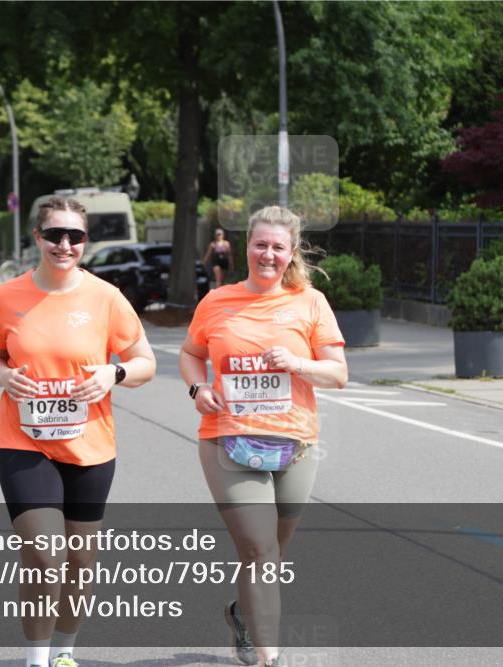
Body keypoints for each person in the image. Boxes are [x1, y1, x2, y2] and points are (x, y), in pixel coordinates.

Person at [0, 195, 157, 667]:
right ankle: (36, 659)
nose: (64, 244)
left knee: (79, 561)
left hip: (90, 446)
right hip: (24, 442)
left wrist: (114, 373)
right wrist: (4, 376)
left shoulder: (106, 297)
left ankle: (63, 653)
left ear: (85, 241)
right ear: (37, 237)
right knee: (44, 555)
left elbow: (145, 362)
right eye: (55, 234)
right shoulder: (6, 296)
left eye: (74, 236)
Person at [179, 206, 348, 667]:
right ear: (246, 247)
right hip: (226, 440)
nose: (268, 254)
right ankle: (271, 656)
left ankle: (242, 613)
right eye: (260, 245)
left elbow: (338, 374)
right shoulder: (217, 301)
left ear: (290, 253)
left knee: (272, 552)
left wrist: (298, 364)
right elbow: (191, 354)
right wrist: (198, 389)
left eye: (277, 247)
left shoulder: (310, 302)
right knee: (259, 547)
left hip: (295, 444)